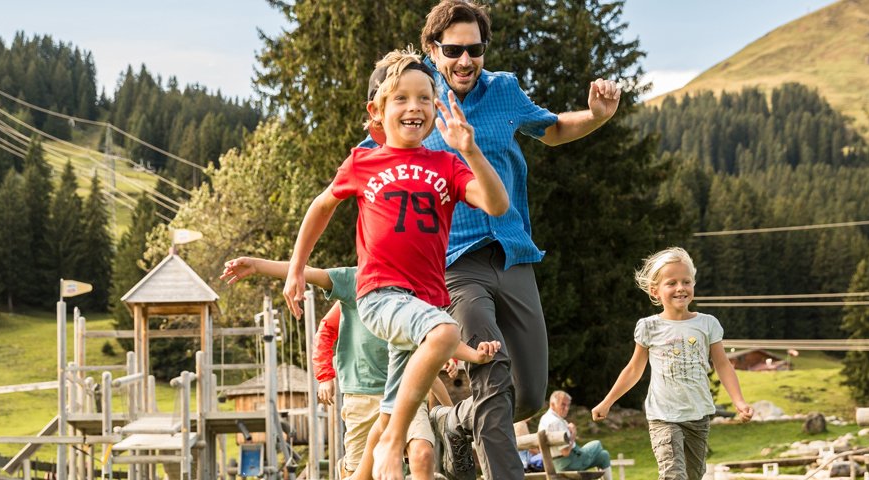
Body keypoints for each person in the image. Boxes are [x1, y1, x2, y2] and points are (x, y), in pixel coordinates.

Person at [372, 2, 622, 479]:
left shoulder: (504, 90)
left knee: (528, 392)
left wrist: (596, 115)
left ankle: (455, 421)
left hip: (512, 253)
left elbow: (551, 130)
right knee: (492, 371)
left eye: (474, 49)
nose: (465, 61)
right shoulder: (419, 96)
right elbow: (383, 151)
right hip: (454, 262)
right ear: (432, 50)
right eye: (453, 50)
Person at [281, 48, 510, 480]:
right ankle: (391, 441)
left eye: (425, 98)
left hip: (425, 300)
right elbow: (322, 206)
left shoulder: (447, 164)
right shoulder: (364, 162)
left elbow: (497, 205)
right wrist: (296, 267)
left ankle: (366, 465)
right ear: (377, 110)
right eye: (401, 98)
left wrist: (472, 150)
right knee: (444, 333)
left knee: (390, 408)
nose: (414, 107)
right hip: (381, 294)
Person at [221, 259, 454, 480]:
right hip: (362, 393)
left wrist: (448, 354)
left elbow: (432, 330)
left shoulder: (417, 284)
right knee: (362, 471)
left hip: (404, 391)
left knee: (422, 454)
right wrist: (324, 375)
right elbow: (323, 322)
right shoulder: (357, 282)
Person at [591, 247, 754, 480]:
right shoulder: (649, 327)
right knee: (673, 475)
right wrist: (607, 402)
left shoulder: (707, 324)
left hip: (698, 416)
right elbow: (634, 369)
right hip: (663, 416)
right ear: (655, 291)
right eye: (672, 283)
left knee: (693, 475)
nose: (680, 288)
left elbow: (723, 365)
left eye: (686, 281)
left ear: (693, 285)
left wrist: (739, 401)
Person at [539, 390, 610, 472]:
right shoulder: (556, 422)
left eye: (568, 405)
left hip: (555, 464)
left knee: (604, 455)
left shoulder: (544, 419)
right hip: (568, 463)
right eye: (563, 404)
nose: (566, 408)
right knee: (597, 444)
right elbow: (565, 452)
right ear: (552, 404)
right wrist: (573, 433)